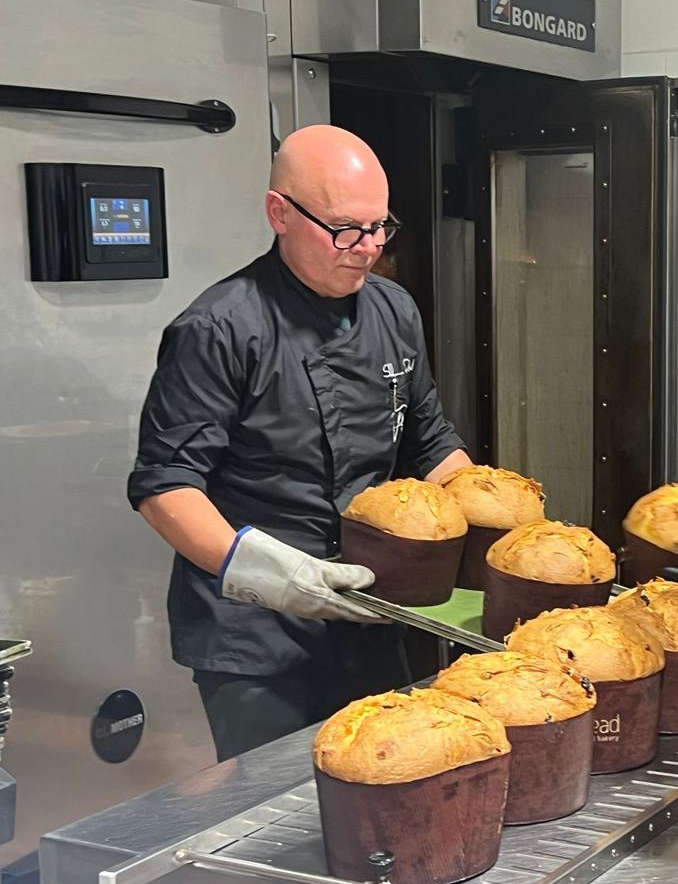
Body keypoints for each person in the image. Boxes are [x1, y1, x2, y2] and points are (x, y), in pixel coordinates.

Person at [128, 125, 472, 761]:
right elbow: (165, 486)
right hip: (257, 640)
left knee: (384, 780)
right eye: (345, 229)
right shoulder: (220, 328)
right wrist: (273, 574)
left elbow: (429, 438)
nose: (367, 249)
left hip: (374, 609)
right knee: (278, 814)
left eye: (379, 228)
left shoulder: (395, 311)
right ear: (279, 213)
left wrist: (489, 515)